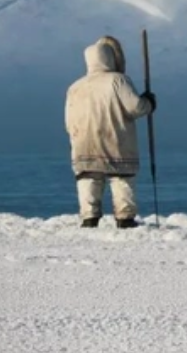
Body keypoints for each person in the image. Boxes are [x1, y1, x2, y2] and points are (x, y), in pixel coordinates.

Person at [64, 36, 157, 229]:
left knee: (88, 180)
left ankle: (89, 218)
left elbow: (69, 120)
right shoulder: (118, 80)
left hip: (84, 142)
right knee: (121, 179)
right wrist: (149, 102)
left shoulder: (75, 87)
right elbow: (136, 107)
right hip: (115, 140)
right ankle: (125, 218)